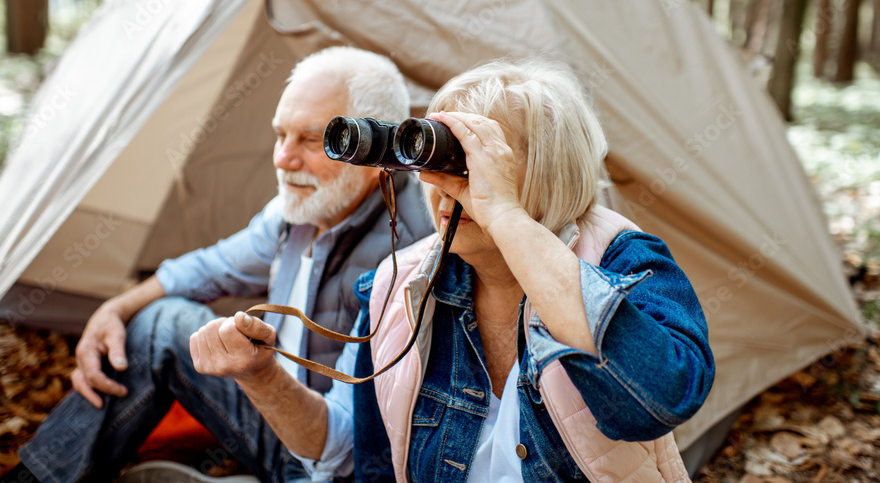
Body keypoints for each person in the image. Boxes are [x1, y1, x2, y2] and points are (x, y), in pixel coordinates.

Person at [190, 59, 716, 482]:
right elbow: (349, 449)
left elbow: (657, 400)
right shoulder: (401, 286)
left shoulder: (625, 261)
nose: (447, 183)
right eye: (435, 155)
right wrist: (261, 378)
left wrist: (506, 215)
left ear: (550, 169)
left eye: (470, 160)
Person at [0, 47, 434, 483]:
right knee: (161, 322)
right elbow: (206, 269)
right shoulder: (301, 212)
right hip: (280, 417)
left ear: (376, 147)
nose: (283, 159)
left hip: (326, 464)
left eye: (311, 139)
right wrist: (110, 311)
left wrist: (259, 376)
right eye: (280, 135)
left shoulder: (409, 254)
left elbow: (346, 452)